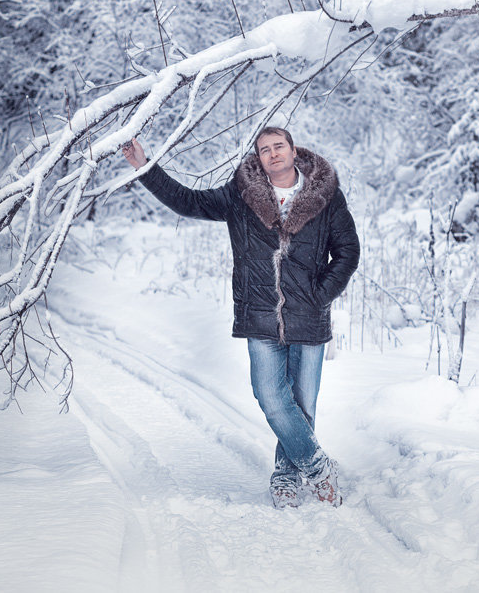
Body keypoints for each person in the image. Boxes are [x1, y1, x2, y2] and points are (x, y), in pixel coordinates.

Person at [121, 127, 360, 508]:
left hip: (309, 318)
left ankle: (285, 476)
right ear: (259, 158)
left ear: (293, 150)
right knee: (270, 396)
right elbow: (187, 202)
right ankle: (317, 468)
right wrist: (144, 166)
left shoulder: (325, 196)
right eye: (264, 150)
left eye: (278, 146)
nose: (273, 154)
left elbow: (347, 251)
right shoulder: (242, 196)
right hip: (259, 314)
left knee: (303, 403)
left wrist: (320, 295)